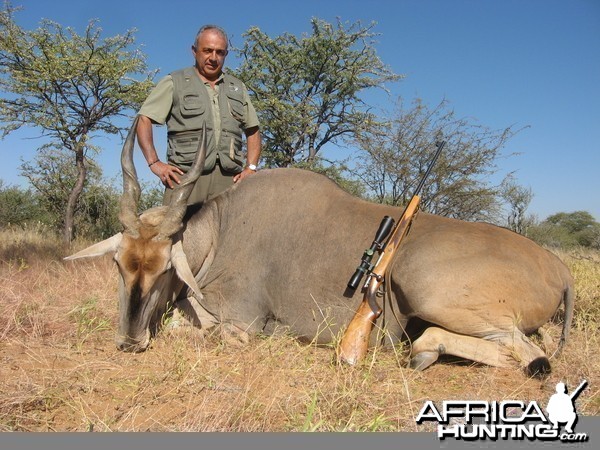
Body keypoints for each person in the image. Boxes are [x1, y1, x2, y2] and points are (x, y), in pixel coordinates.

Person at [136, 24, 261, 206]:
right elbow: (144, 118)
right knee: (177, 232)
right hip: (185, 178)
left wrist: (251, 168)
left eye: (220, 52)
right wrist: (154, 162)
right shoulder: (175, 81)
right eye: (207, 50)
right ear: (194, 51)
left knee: (229, 233)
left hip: (229, 180)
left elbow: (253, 129)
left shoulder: (237, 87)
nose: (213, 58)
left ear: (226, 54)